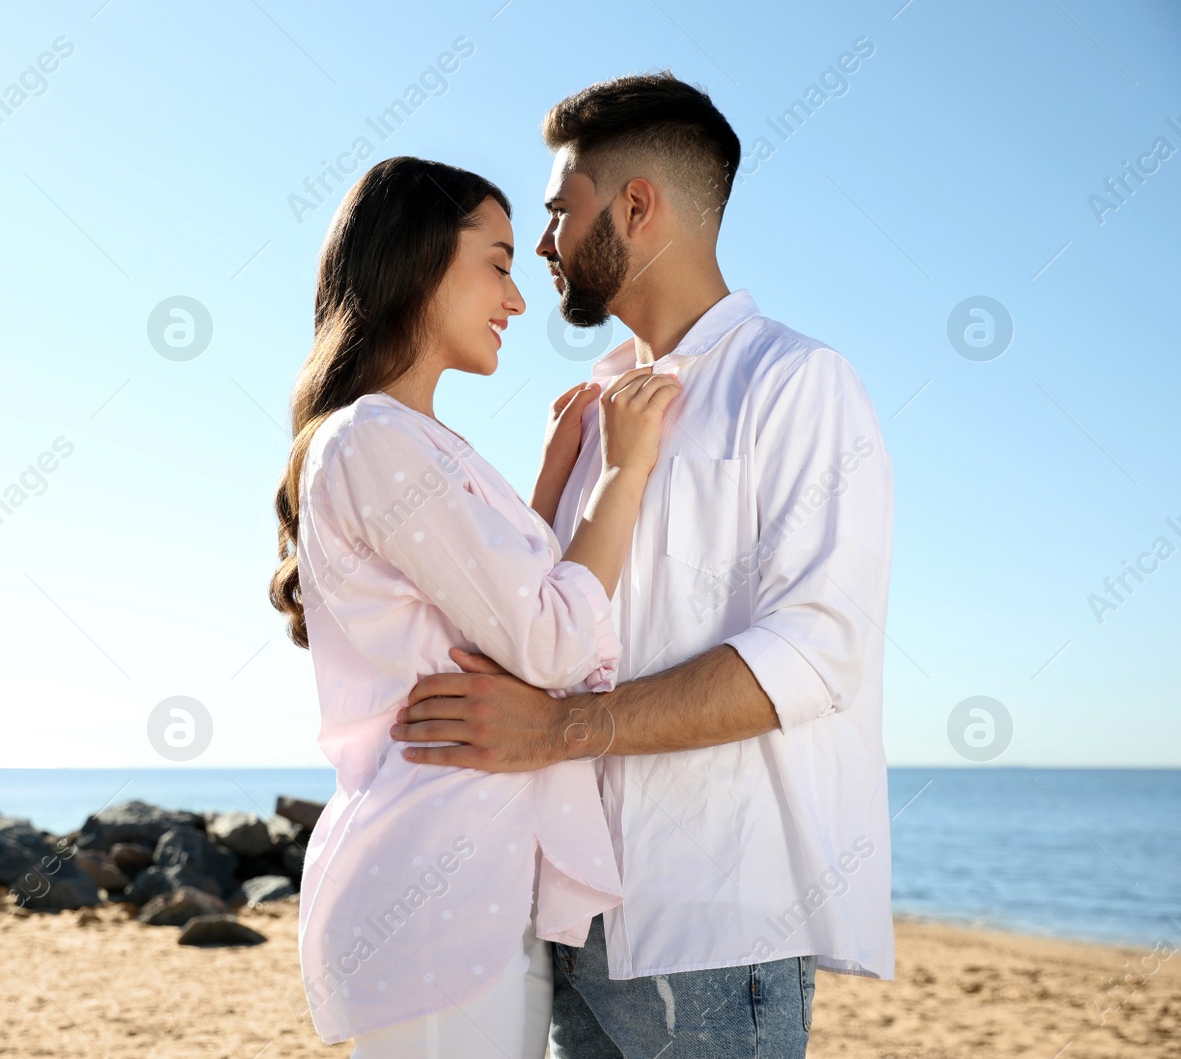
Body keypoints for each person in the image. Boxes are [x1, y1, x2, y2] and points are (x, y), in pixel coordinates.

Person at [391, 73, 896, 1057]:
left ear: (634, 205)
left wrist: (559, 730)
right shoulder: (592, 409)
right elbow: (546, 625)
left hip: (713, 931)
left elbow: (817, 651)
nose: (540, 245)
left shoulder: (796, 382)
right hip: (568, 922)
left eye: (557, 214)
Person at [269, 155, 682, 1056]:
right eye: (497, 262)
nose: (518, 297)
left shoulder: (399, 439)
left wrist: (546, 483)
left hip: (466, 882)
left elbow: (489, 617)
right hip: (439, 890)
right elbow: (547, 641)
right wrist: (623, 470)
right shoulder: (375, 437)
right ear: (419, 259)